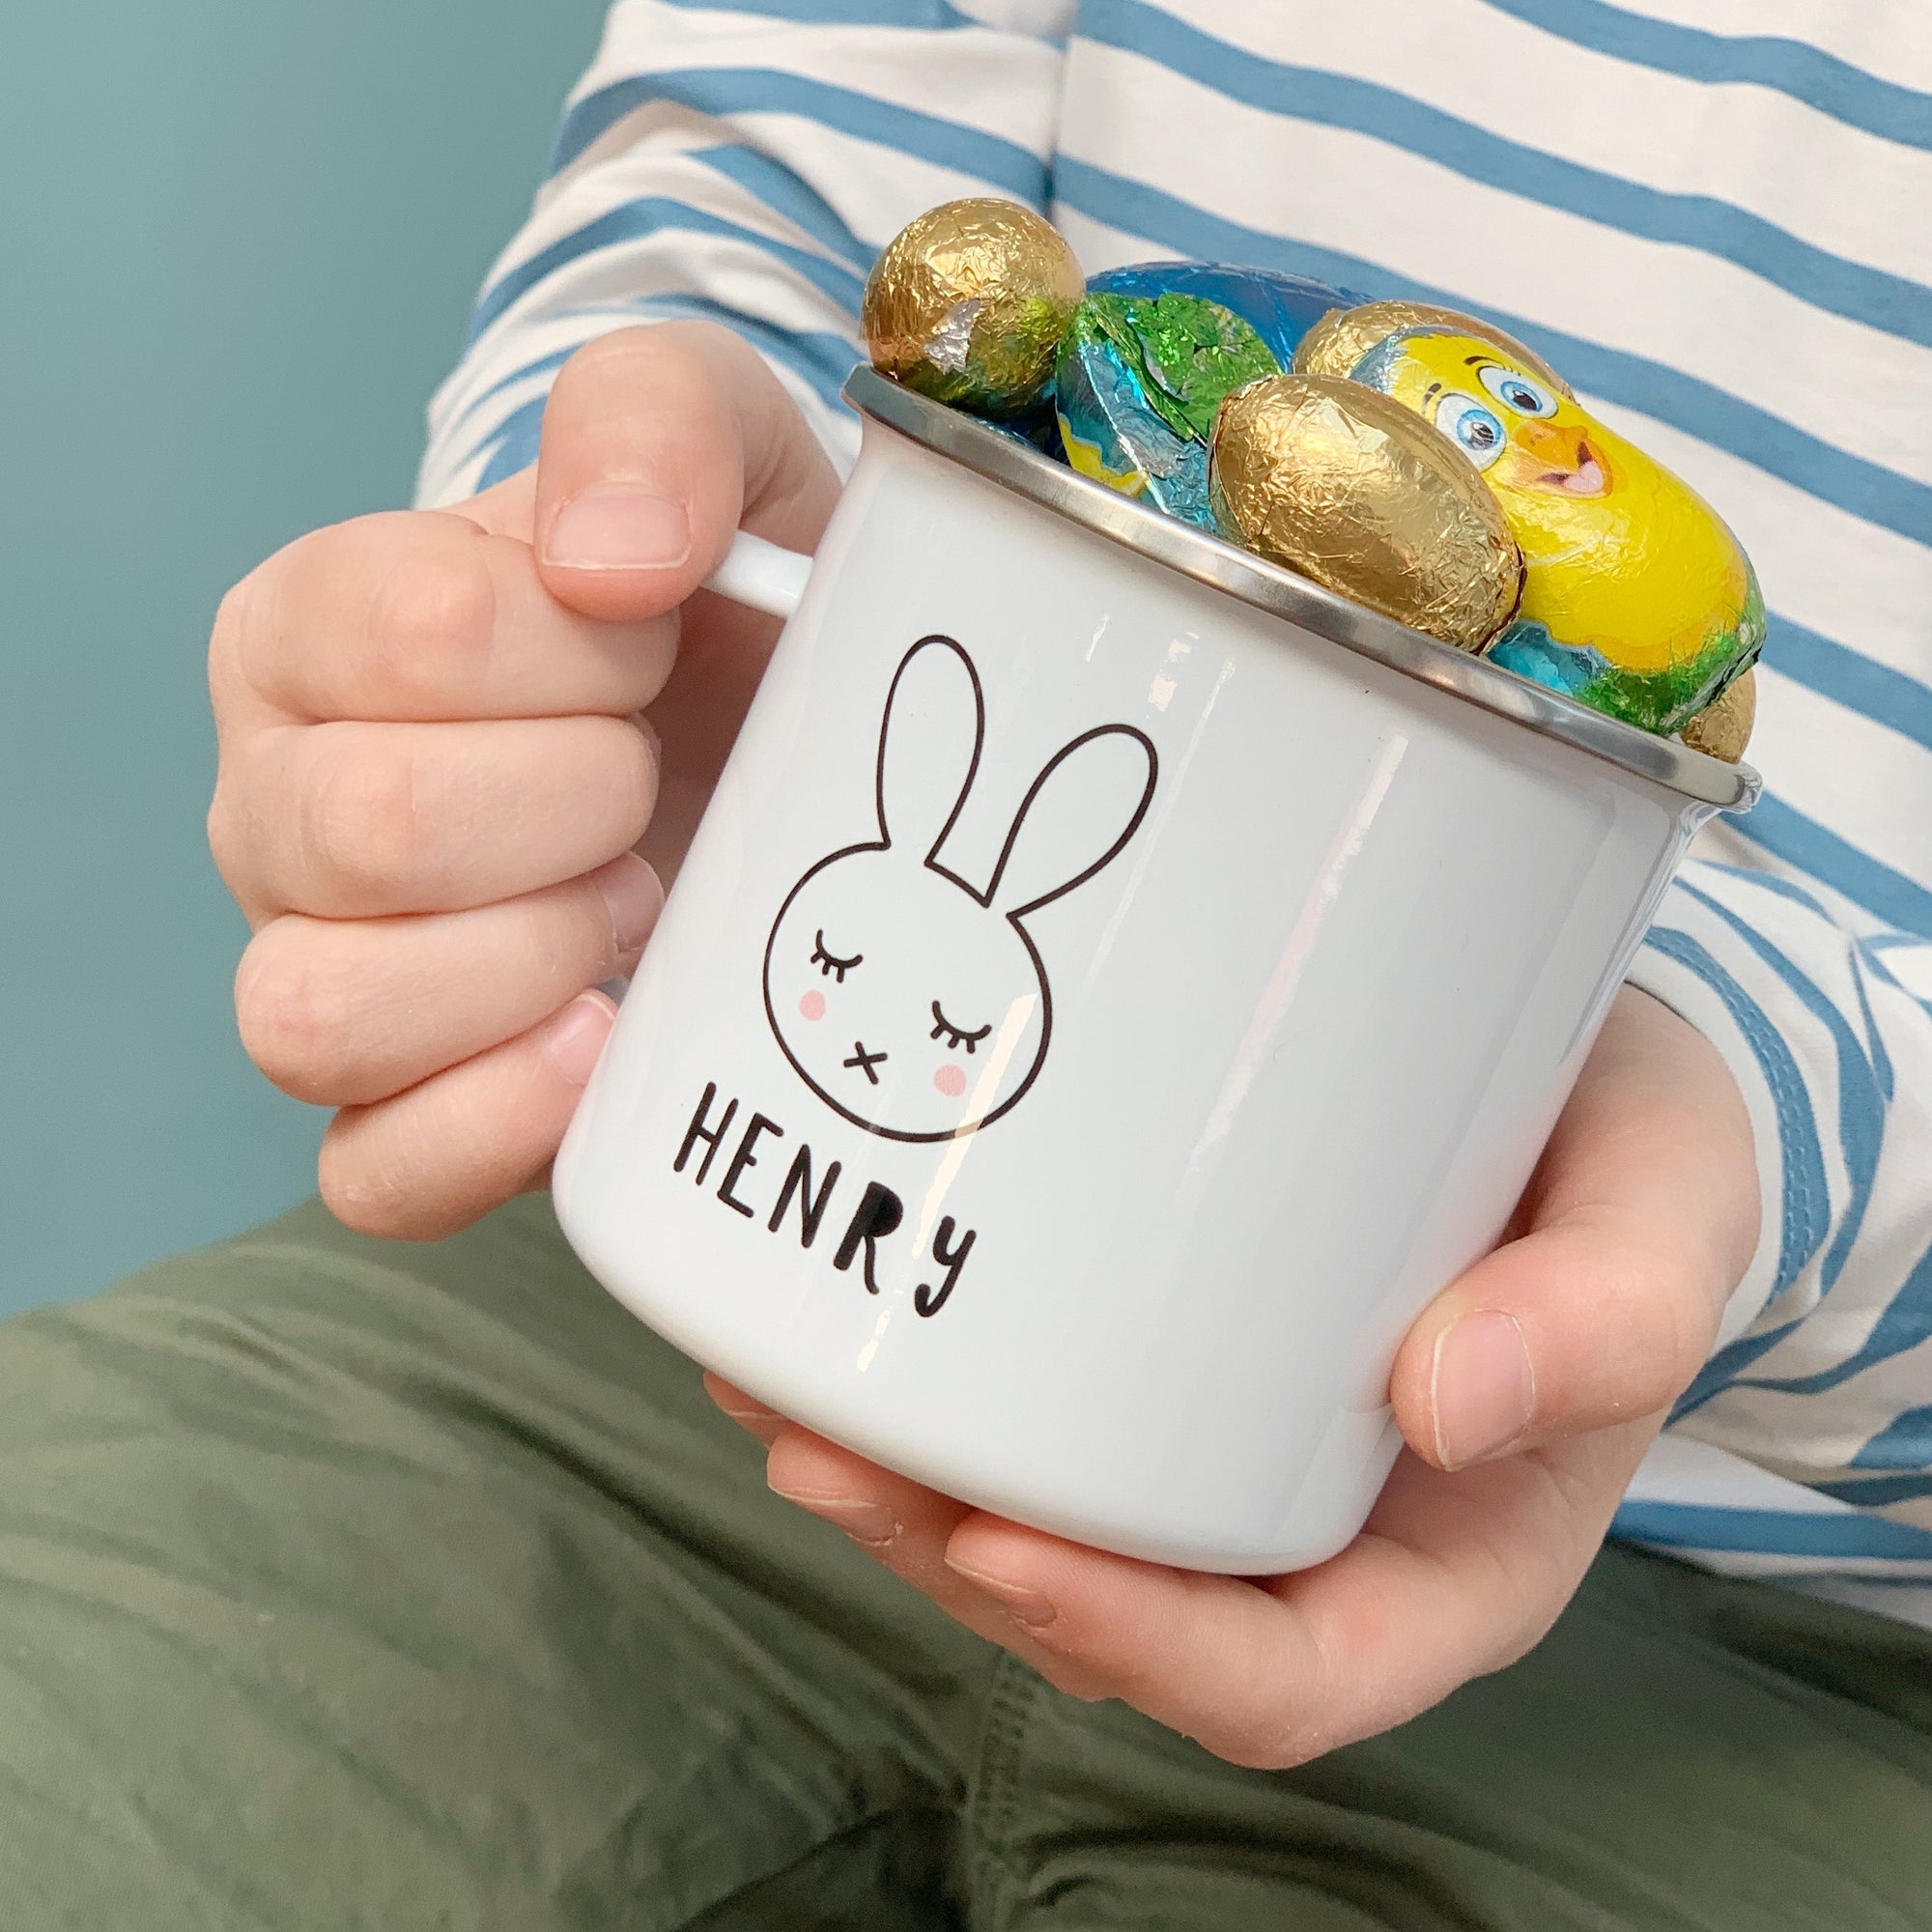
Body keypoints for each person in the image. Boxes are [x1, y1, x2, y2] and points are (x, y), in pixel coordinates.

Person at [4, 3, 1929, 1924]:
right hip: (687, 1332)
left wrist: (1763, 1128)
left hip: (1779, 1651)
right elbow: (778, 154)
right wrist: (583, 632)